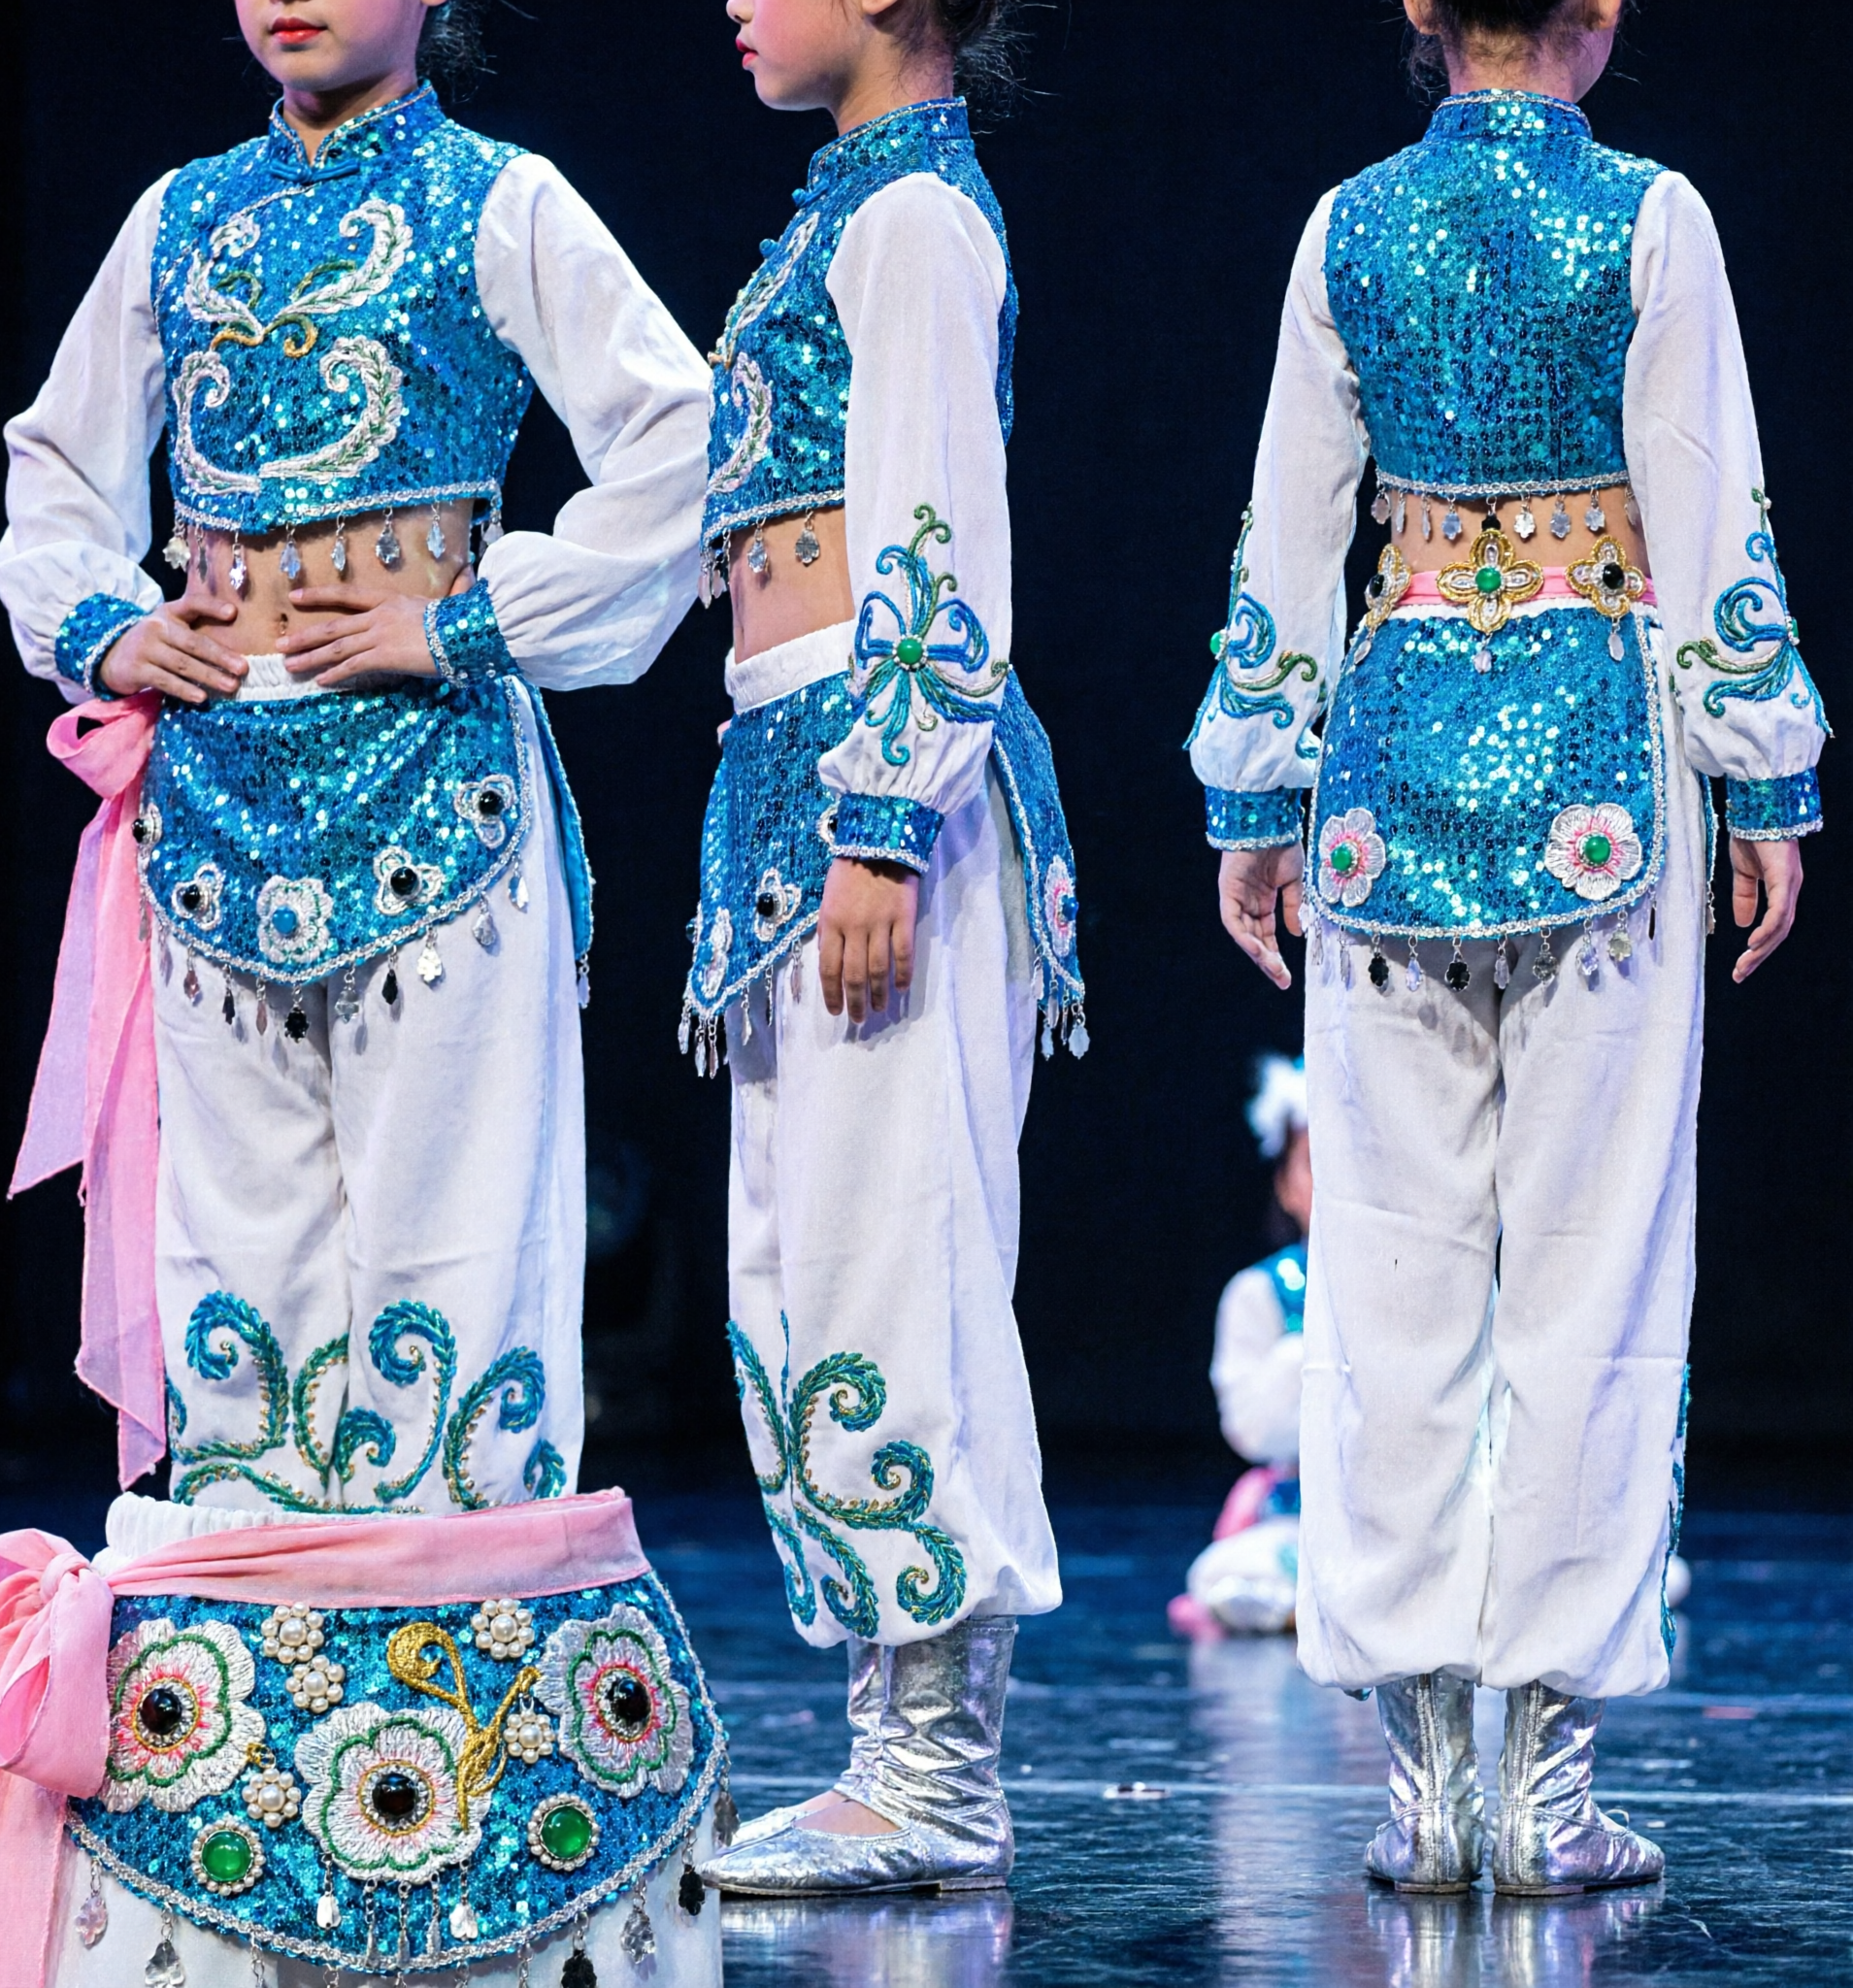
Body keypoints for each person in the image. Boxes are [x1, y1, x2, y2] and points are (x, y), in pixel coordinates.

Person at [0, 3, 730, 1980]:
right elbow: (48, 476)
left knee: (454, 1272)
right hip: (211, 807)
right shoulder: (178, 221)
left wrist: (470, 615)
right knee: (241, 1284)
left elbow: (688, 449)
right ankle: (257, 1808)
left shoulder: (498, 204)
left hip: (439, 791)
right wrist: (108, 620)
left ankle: (481, 1814)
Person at [1188, 0, 1822, 1899]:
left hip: (1387, 775)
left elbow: (1285, 529)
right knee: (1587, 1271)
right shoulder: (1650, 216)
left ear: (1412, 11)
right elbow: (1707, 509)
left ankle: (1421, 1786)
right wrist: (1766, 768)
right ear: (1599, 15)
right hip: (1600, 777)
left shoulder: (1343, 225)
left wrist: (1254, 791)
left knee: (1385, 1278)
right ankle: (1535, 1787)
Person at [685, 0, 1085, 1900]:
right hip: (794, 774)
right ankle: (880, 1749)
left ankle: (938, 1769)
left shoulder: (914, 218)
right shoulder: (844, 208)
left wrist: (885, 810)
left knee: (894, 1261)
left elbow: (935, 533)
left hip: (872, 783)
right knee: (806, 1274)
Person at [1170, 1055, 1313, 1638]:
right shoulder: (1261, 1293)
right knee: (1227, 1573)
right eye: (1311, 1163)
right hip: (1304, 1521)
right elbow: (1252, 1430)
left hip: (1414, 1515)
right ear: (1285, 1183)